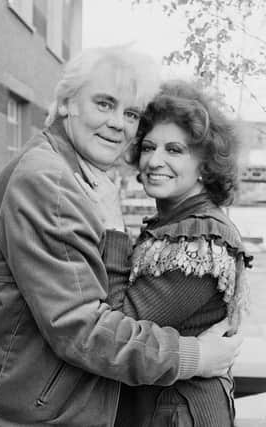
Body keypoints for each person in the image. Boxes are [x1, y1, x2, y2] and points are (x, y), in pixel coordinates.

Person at [0, 47, 242, 427]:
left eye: (131, 113)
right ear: (68, 103)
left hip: (168, 410)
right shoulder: (53, 180)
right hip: (42, 407)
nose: (118, 124)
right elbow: (83, 326)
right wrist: (193, 357)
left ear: (204, 164)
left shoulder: (198, 235)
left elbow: (114, 313)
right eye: (104, 104)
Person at [98, 80, 252, 426]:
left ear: (205, 164)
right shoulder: (173, 222)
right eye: (149, 147)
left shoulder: (200, 235)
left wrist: (114, 229)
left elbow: (119, 324)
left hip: (176, 414)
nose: (155, 160)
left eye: (174, 150)